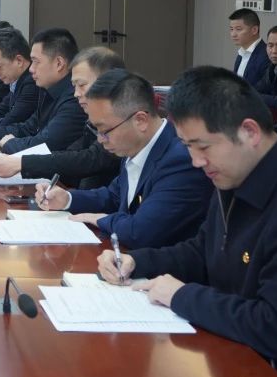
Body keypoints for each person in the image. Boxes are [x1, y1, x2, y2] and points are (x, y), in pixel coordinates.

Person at [97, 66, 277, 377]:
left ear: (249, 132)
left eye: (203, 147)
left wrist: (181, 296)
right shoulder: (237, 170)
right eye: (187, 147)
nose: (196, 162)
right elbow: (204, 252)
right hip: (236, 361)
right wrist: (137, 261)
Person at [34, 69, 211, 248]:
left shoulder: (181, 160)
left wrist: (100, 219)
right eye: (96, 129)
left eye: (105, 130)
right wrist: (67, 198)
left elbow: (141, 231)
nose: (100, 139)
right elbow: (114, 196)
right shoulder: (135, 146)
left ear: (140, 120)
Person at [0, 46, 125, 189]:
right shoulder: (50, 93)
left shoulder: (120, 121)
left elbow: (90, 159)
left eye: (81, 85)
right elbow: (71, 154)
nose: (76, 93)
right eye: (74, 86)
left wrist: (22, 163)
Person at [0, 28, 87, 153]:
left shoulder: (75, 98)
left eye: (36, 62)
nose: (31, 69)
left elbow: (45, 145)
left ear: (59, 63)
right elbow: (29, 127)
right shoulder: (47, 90)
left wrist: (10, 143)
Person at [228, 8, 269, 87]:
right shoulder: (241, 53)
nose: (233, 34)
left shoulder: (266, 55)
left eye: (238, 29)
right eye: (231, 29)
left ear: (254, 30)